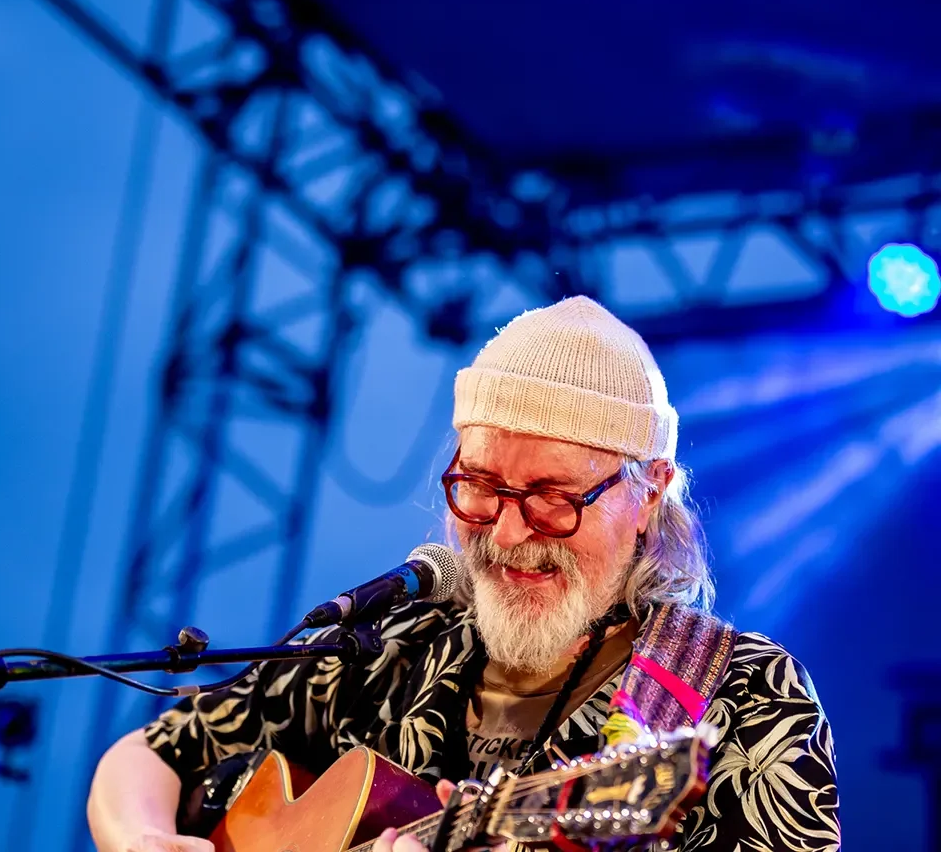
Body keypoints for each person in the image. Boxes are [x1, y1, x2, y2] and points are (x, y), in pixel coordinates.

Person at [87, 296, 839, 852]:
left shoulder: (741, 697)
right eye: (479, 486)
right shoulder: (390, 647)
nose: (508, 533)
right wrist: (141, 838)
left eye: (551, 498)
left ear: (648, 492)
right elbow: (154, 752)